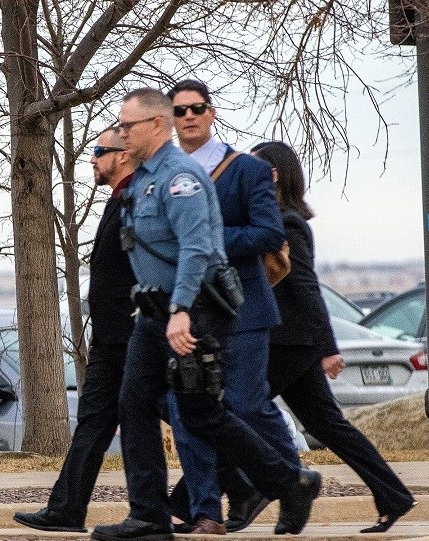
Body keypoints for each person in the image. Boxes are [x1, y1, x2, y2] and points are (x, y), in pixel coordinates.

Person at [91, 88, 321, 541]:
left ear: (156, 126)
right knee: (134, 404)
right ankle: (149, 516)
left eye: (127, 126)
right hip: (154, 314)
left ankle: (289, 482)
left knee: (200, 415)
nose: (121, 133)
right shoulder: (141, 179)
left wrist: (179, 311)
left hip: (192, 312)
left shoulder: (182, 178)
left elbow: (197, 250)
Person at [250, 140, 417, 534]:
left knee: (236, 410)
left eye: (253, 170)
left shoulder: (287, 223)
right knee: (327, 425)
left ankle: (241, 491)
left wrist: (328, 349)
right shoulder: (275, 220)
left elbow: (307, 287)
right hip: (292, 342)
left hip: (290, 344)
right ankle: (393, 495)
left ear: (272, 175)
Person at [163, 79, 301, 535]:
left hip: (241, 307)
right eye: (179, 110)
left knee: (246, 404)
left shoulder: (246, 170)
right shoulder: (161, 174)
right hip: (184, 310)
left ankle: (294, 485)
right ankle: (206, 512)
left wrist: (207, 241)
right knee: (189, 415)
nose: (188, 117)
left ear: (212, 112)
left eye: (196, 108)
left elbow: (268, 234)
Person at [13, 128, 138, 533]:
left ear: (121, 155)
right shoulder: (116, 199)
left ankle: (252, 478)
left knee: (190, 416)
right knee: (92, 423)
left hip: (134, 335)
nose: (92, 159)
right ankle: (66, 509)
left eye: (99, 152)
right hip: (109, 337)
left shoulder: (137, 199)